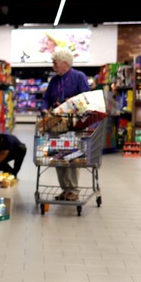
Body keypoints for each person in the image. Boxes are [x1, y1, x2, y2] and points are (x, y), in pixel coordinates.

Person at [42, 48, 91, 201]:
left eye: (55, 63)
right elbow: (45, 98)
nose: (53, 66)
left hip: (73, 124)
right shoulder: (54, 80)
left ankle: (74, 190)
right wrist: (44, 109)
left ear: (65, 63)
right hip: (56, 124)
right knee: (58, 157)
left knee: (72, 156)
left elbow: (86, 99)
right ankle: (65, 189)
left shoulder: (79, 77)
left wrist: (69, 104)